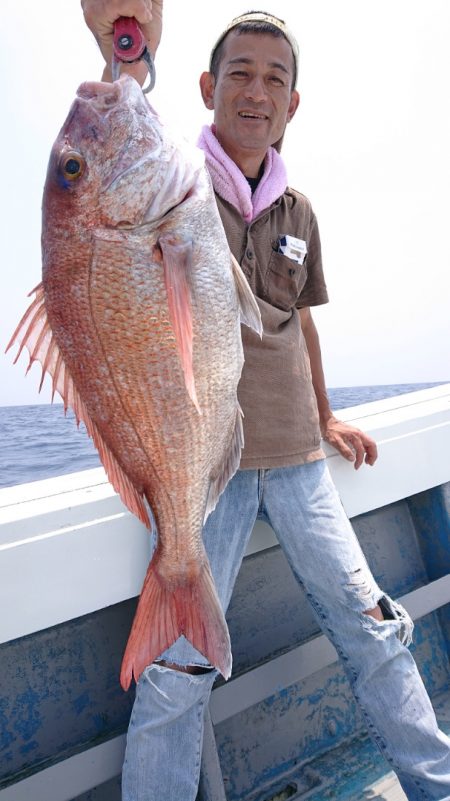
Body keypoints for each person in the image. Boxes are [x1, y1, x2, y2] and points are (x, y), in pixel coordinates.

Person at [81, 3, 450, 799]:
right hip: (204, 464)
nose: (257, 91)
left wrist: (325, 413)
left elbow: (301, 319)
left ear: (293, 103)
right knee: (179, 665)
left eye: (275, 78)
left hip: (298, 457)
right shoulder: (172, 184)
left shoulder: (299, 210)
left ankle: (435, 783)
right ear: (208, 88)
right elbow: (117, 137)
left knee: (374, 628)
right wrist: (126, 51)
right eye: (240, 74)